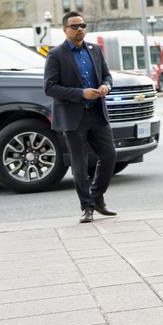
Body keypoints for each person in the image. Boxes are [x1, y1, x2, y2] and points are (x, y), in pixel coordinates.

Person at [43, 11, 117, 224]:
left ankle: (97, 197)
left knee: (109, 155)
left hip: (97, 114)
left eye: (83, 25)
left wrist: (106, 86)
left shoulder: (94, 50)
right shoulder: (56, 54)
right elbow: (49, 87)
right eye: (75, 26)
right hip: (73, 117)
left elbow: (106, 75)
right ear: (65, 29)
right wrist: (80, 93)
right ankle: (87, 208)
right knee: (80, 165)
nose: (80, 29)